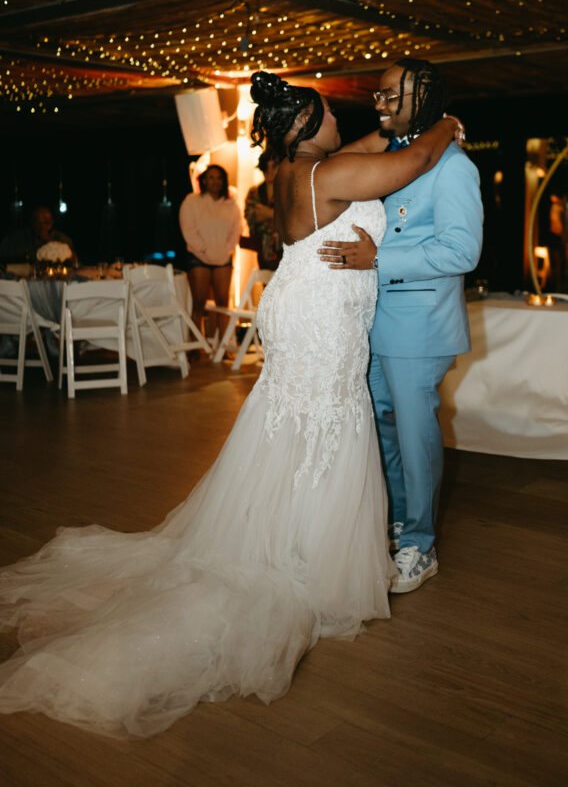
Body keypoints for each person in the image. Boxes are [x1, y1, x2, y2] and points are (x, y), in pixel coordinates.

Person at [0, 71, 462, 739]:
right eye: (331, 114)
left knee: (300, 419)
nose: (343, 120)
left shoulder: (291, 167)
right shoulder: (328, 177)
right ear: (308, 128)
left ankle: (293, 537)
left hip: (305, 304)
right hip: (321, 315)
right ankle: (303, 558)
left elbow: (378, 140)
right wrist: (447, 128)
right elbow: (411, 161)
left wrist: (395, 124)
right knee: (325, 417)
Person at [318, 58, 483, 594]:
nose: (381, 104)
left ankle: (420, 544)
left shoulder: (453, 166)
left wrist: (378, 261)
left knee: (414, 434)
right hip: (375, 319)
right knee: (382, 425)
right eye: (379, 96)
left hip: (419, 323)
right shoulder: (398, 158)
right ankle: (396, 522)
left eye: (392, 95)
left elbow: (463, 250)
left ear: (424, 97)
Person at [179, 164, 242, 339]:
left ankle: (224, 345)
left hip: (223, 258)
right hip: (199, 258)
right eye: (211, 177)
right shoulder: (191, 202)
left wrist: (226, 250)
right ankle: (194, 346)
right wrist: (204, 250)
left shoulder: (231, 206)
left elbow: (236, 231)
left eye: (219, 178)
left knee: (223, 303)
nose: (215, 181)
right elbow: (188, 230)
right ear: (204, 180)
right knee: (198, 303)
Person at [243, 147, 282, 270]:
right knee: (267, 287)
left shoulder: (289, 190)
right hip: (263, 250)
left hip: (286, 250)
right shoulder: (255, 192)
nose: (269, 171)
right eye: (266, 167)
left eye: (274, 166)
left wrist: (268, 213)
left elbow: (294, 218)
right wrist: (276, 215)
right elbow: (251, 217)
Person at [0, 205, 76, 265]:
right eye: (38, 223)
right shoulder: (18, 238)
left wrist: (50, 242)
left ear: (52, 222)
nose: (42, 227)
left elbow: (73, 262)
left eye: (46, 223)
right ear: (32, 223)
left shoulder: (62, 239)